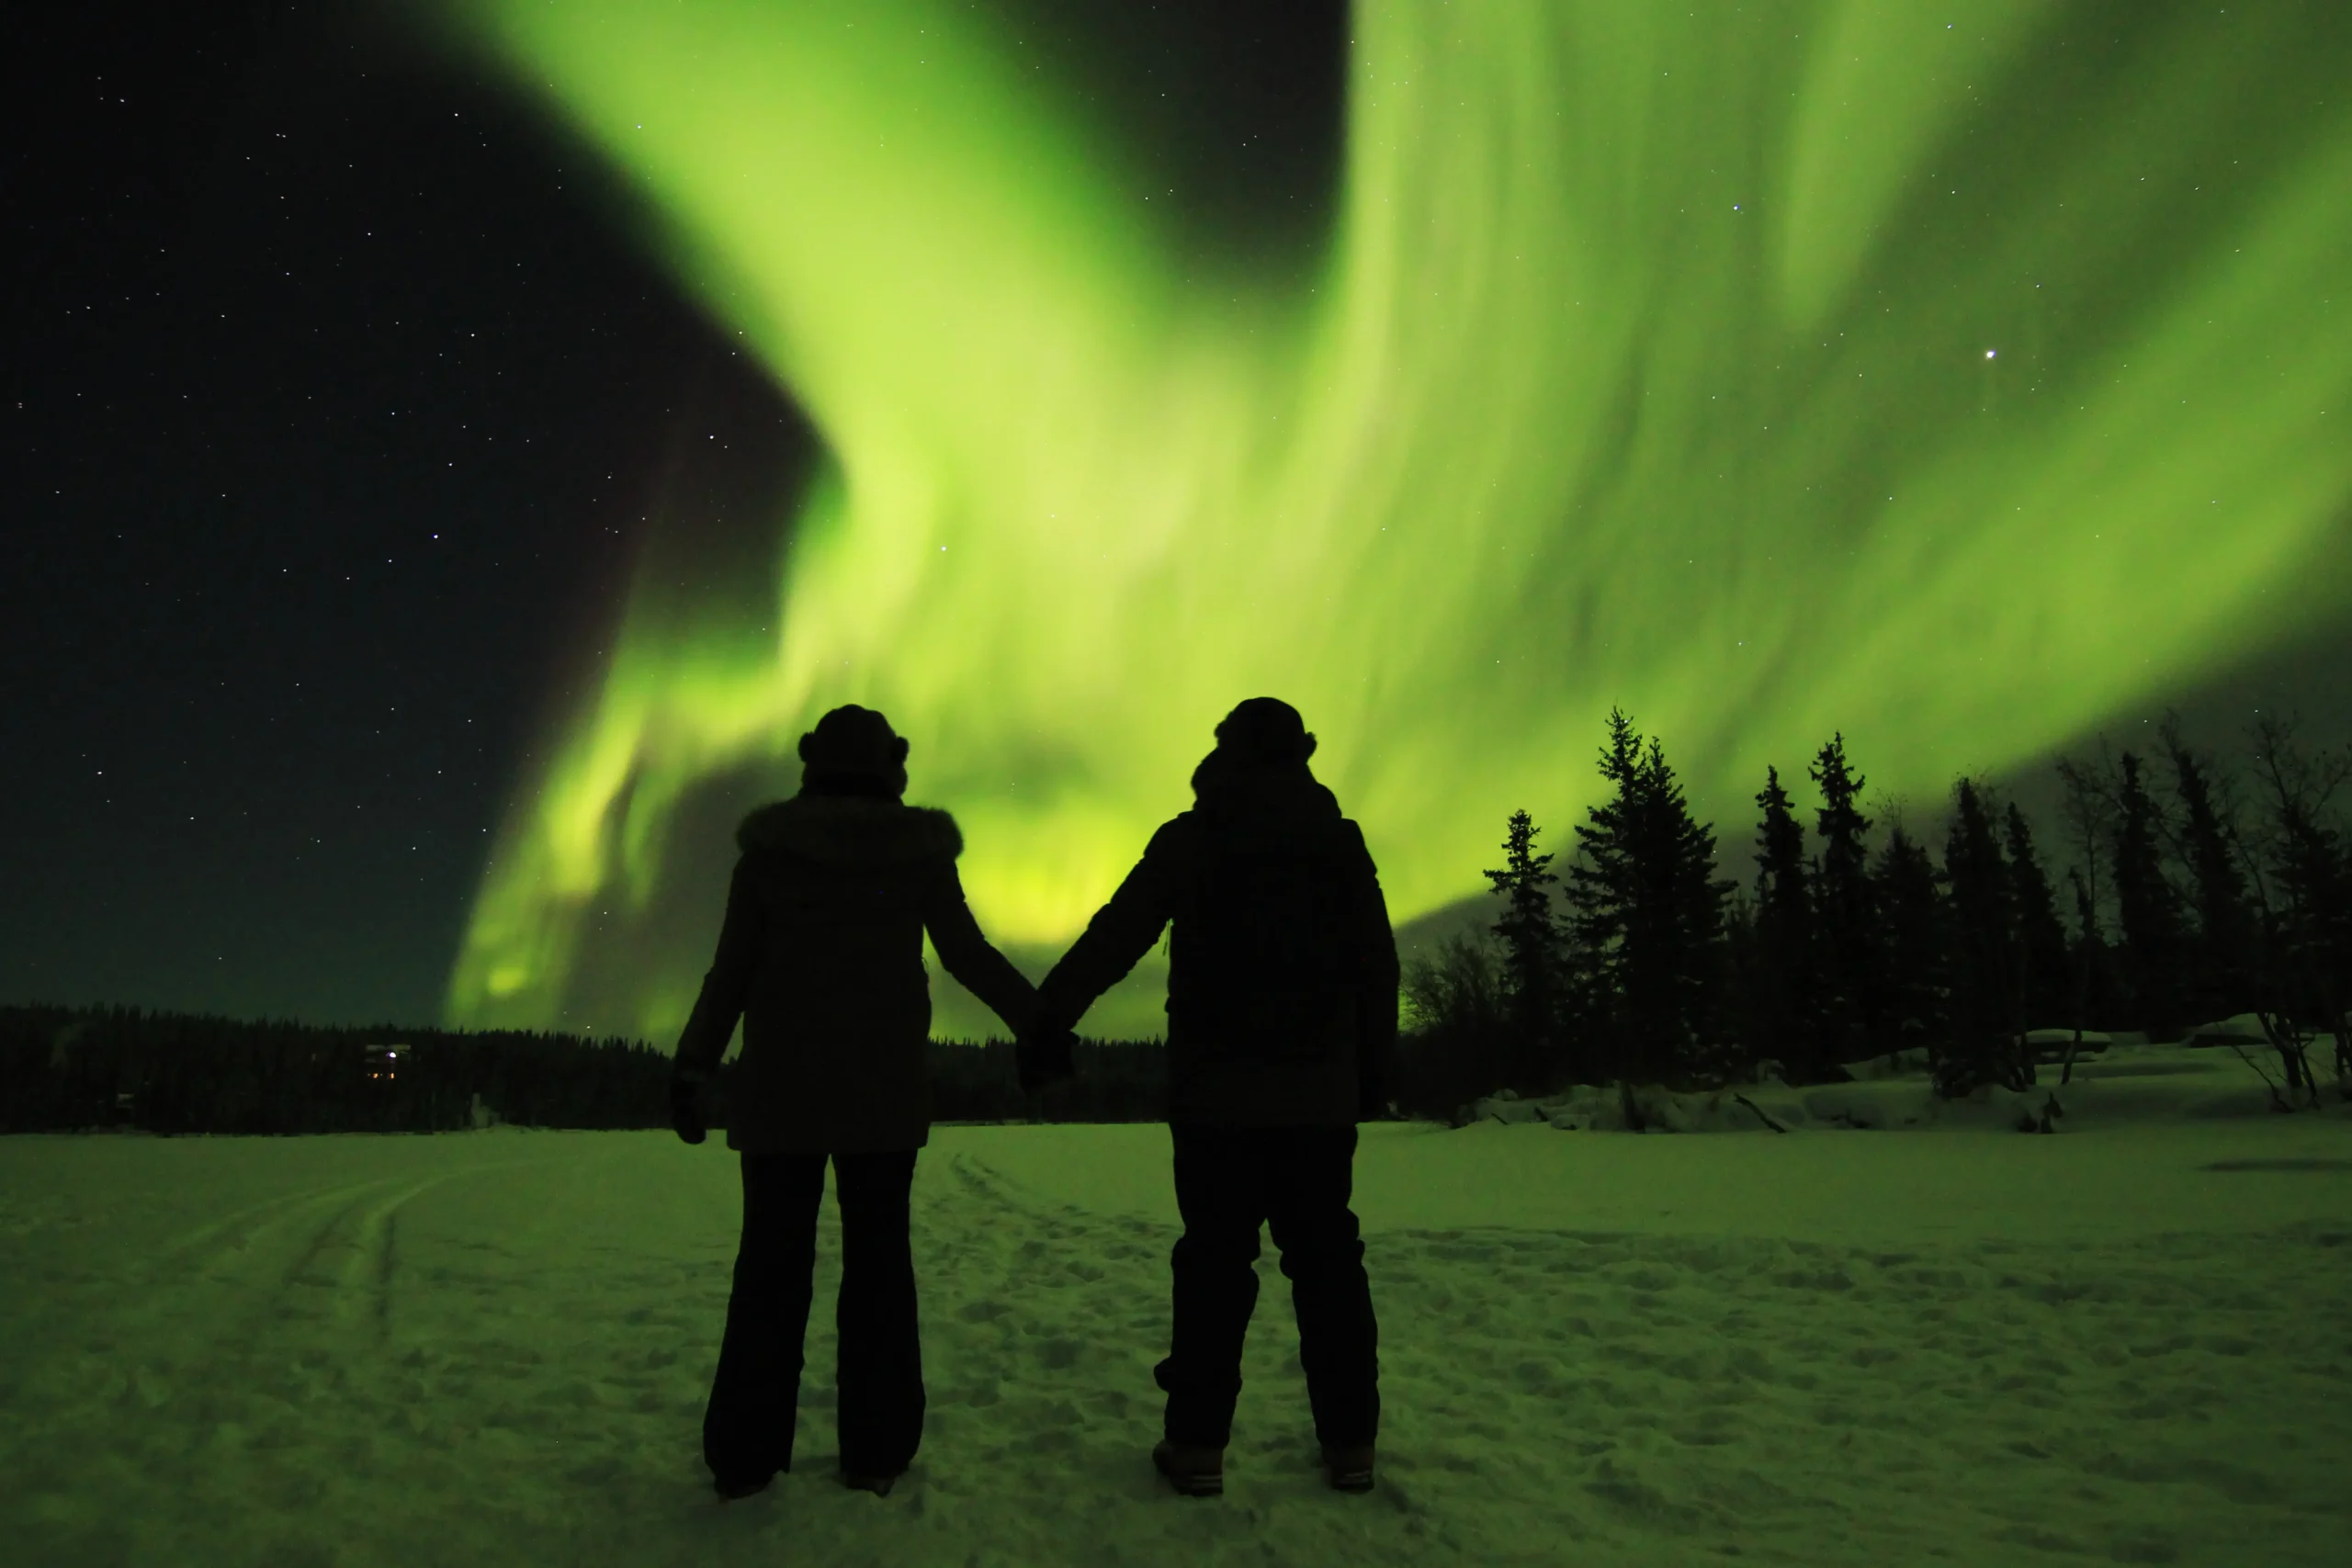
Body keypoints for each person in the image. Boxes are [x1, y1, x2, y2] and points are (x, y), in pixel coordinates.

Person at [667, 704, 1042, 1502]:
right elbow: (969, 956)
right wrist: (1039, 1023)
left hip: (778, 1101)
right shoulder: (915, 856)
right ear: (889, 766)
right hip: (883, 1099)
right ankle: (876, 1450)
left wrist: (695, 1062)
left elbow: (728, 975)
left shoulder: (767, 859)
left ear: (813, 764)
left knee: (770, 1271)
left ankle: (743, 1453)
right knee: (879, 1270)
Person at [1032, 697, 1399, 1497]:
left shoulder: (1192, 839)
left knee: (1213, 1265)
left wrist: (1045, 1018)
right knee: (1329, 1262)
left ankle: (1198, 1447)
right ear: (1301, 754)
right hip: (1317, 1100)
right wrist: (1373, 1075)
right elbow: (1379, 963)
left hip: (1214, 1100)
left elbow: (1114, 935)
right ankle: (1351, 1444)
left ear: (1225, 756)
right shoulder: (1336, 842)